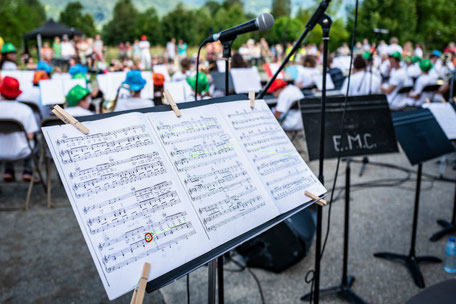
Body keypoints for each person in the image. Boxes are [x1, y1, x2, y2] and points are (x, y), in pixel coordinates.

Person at [0, 76, 39, 182]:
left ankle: (8, 171)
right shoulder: (25, 110)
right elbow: (30, 136)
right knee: (35, 140)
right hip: (21, 151)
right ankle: (28, 171)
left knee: (7, 139)